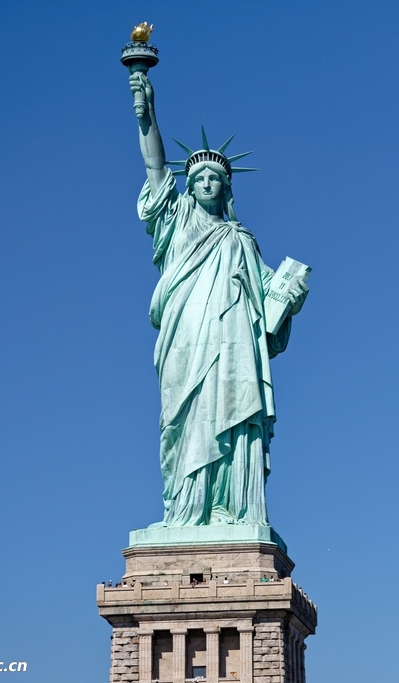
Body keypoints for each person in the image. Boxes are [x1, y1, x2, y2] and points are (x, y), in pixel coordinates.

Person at [127, 70, 307, 527]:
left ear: (227, 189)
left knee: (231, 409)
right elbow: (154, 168)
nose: (207, 183)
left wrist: (291, 294)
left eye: (215, 179)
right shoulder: (178, 219)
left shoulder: (241, 239)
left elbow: (268, 298)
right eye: (200, 177)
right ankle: (185, 512)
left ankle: (231, 507)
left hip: (232, 345)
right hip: (186, 335)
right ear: (189, 187)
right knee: (186, 418)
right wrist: (147, 115)